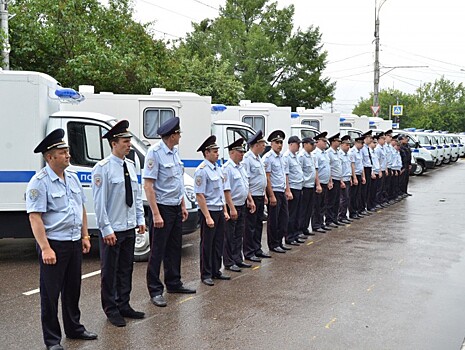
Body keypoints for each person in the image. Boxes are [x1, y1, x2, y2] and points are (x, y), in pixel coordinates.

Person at [26, 129, 97, 350]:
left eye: (67, 150)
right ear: (50, 157)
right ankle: (52, 340)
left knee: (72, 289)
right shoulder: (39, 182)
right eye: (62, 152)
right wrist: (45, 248)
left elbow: (81, 207)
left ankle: (74, 328)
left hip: (74, 241)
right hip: (54, 244)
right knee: (50, 295)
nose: (68, 155)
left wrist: (85, 235)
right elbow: (35, 217)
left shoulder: (73, 177)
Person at [92, 120, 146, 327]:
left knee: (126, 269)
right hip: (113, 230)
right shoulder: (102, 169)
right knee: (110, 272)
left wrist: (140, 219)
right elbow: (99, 203)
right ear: (114, 143)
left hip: (129, 227)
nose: (129, 144)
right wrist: (106, 229)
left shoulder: (130, 166)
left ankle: (124, 304)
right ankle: (111, 309)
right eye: (125, 141)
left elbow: (136, 194)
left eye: (129, 141)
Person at [144, 117, 196, 309]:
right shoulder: (155, 153)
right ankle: (155, 290)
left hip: (175, 206)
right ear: (172, 135)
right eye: (179, 133)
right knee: (158, 250)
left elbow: (177, 181)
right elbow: (149, 186)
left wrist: (182, 204)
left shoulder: (174, 152)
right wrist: (156, 214)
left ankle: (174, 283)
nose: (180, 136)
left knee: (174, 248)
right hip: (162, 207)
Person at [194, 135, 231, 286]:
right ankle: (206, 273)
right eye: (214, 151)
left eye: (217, 151)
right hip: (208, 211)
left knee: (218, 242)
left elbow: (221, 192)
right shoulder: (202, 171)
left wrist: (225, 211)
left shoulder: (218, 169)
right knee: (207, 244)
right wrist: (208, 217)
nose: (217, 153)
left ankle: (216, 270)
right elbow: (200, 195)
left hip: (219, 210)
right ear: (206, 153)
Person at [223, 138, 256, 272]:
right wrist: (231, 208)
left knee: (239, 234)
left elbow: (245, 185)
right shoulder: (227, 168)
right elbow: (226, 190)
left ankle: (238, 258)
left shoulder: (241, 167)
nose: (242, 154)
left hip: (242, 204)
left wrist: (250, 199)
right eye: (239, 152)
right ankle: (229, 262)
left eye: (243, 152)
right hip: (233, 205)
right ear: (232, 153)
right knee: (229, 235)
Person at [242, 130, 271, 262]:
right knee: (250, 226)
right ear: (256, 144)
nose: (264, 146)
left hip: (259, 195)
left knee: (259, 224)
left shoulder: (259, 158)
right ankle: (249, 251)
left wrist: (264, 194)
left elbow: (261, 178)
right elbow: (246, 180)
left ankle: (257, 248)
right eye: (262, 143)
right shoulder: (247, 159)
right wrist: (249, 199)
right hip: (252, 196)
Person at [263, 130, 292, 253]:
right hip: (274, 191)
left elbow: (285, 175)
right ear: (271, 143)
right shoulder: (268, 158)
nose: (279, 145)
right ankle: (273, 244)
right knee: (273, 221)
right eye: (277, 142)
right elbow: (267, 177)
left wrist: (287, 190)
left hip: (281, 190)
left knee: (283, 219)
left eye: (281, 142)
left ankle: (279, 241)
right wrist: (271, 195)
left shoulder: (282, 157)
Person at [283, 136, 305, 245]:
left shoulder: (295, 156)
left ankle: (295, 234)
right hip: (292, 188)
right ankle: (289, 236)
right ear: (291, 144)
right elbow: (286, 175)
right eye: (297, 144)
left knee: (297, 213)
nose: (299, 147)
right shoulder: (286, 157)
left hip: (299, 186)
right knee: (291, 214)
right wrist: (288, 190)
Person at [297, 137, 321, 236]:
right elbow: (300, 171)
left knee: (309, 209)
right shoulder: (301, 156)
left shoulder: (312, 155)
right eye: (311, 144)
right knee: (302, 209)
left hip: (311, 185)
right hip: (304, 186)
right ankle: (299, 229)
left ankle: (305, 227)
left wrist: (317, 184)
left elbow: (314, 171)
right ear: (305, 144)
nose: (314, 146)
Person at [312, 131, 333, 233]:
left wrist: (330, 181)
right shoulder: (315, 154)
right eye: (323, 141)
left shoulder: (325, 153)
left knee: (323, 204)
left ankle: (321, 222)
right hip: (319, 183)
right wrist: (318, 184)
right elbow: (316, 170)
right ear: (318, 142)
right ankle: (316, 224)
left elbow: (328, 168)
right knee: (317, 205)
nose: (325, 143)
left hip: (325, 182)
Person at [326, 133, 344, 227]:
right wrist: (330, 181)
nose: (339, 142)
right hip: (332, 179)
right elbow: (329, 168)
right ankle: (329, 220)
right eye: (338, 141)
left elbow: (339, 167)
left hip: (338, 178)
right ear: (333, 142)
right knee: (331, 201)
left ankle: (334, 218)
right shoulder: (329, 153)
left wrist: (341, 180)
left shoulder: (337, 152)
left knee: (337, 201)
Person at [348, 136, 366, 220]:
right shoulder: (352, 152)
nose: (363, 145)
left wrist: (363, 176)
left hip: (359, 174)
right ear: (357, 143)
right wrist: (354, 177)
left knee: (358, 195)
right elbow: (352, 165)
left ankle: (357, 210)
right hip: (354, 175)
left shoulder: (359, 152)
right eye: (361, 143)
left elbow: (361, 165)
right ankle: (352, 212)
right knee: (353, 195)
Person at [338, 135, 353, 224]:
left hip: (347, 178)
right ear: (342, 145)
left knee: (347, 198)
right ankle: (340, 216)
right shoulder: (339, 155)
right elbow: (339, 169)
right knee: (342, 199)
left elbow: (349, 167)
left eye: (349, 145)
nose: (348, 147)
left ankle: (344, 215)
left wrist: (350, 177)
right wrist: (341, 180)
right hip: (342, 179)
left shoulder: (348, 155)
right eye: (346, 145)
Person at [360, 130, 374, 215]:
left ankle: (364, 207)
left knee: (367, 190)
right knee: (363, 191)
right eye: (370, 138)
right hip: (364, 169)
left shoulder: (367, 148)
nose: (371, 140)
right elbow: (361, 162)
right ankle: (361, 208)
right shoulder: (362, 149)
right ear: (366, 138)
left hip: (368, 169)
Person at [374, 132, 388, 207]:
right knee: (378, 188)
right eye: (383, 139)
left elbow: (385, 160)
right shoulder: (378, 149)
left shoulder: (383, 148)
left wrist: (385, 169)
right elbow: (377, 161)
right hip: (379, 170)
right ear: (379, 139)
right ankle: (377, 202)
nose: (384, 140)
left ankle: (380, 201)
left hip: (383, 169)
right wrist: (379, 171)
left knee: (382, 187)